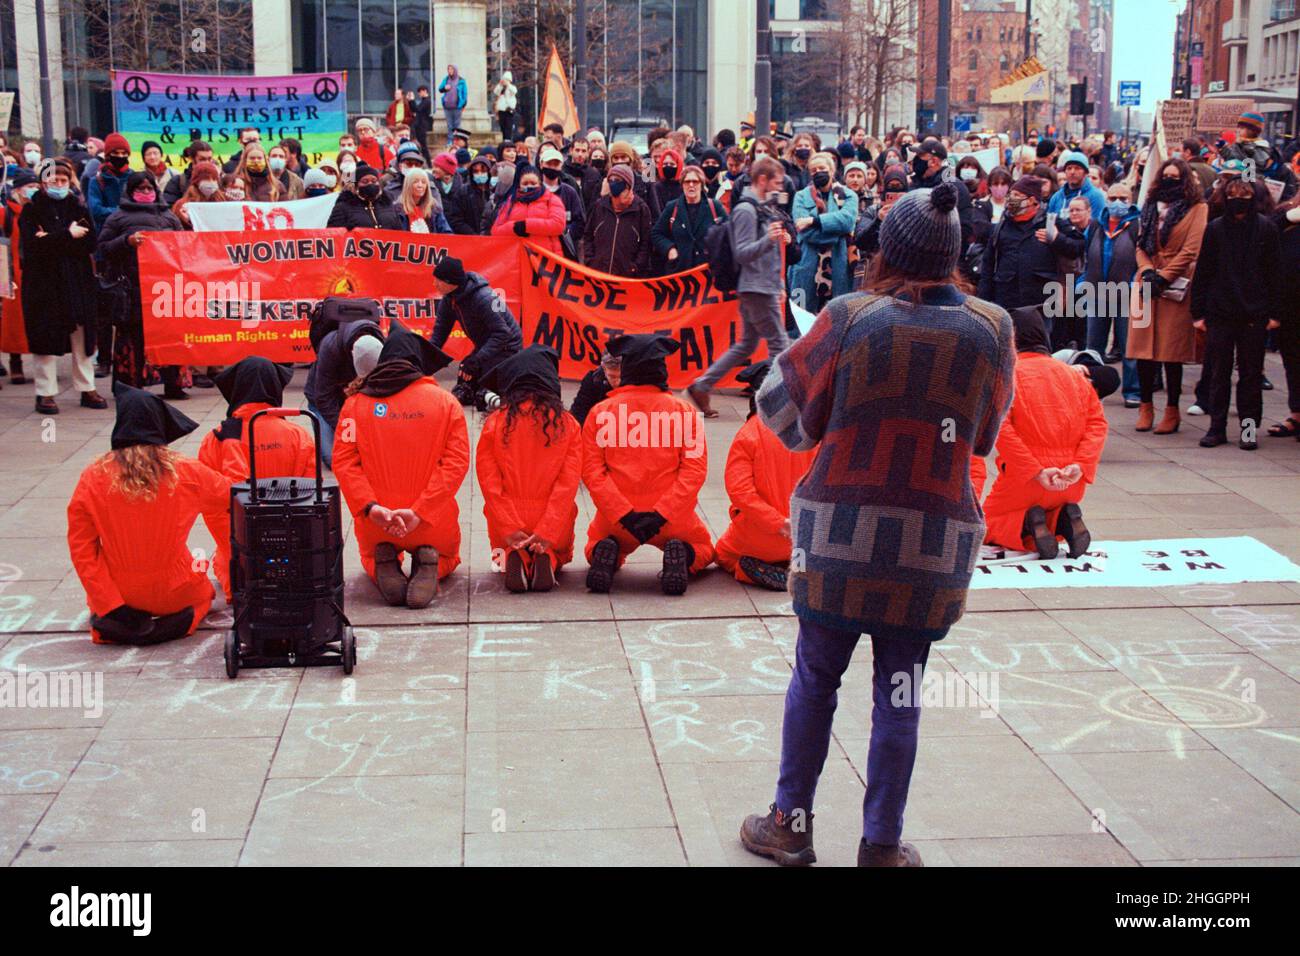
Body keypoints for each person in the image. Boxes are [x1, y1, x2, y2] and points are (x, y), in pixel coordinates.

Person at [739, 181, 1015, 869]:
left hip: (838, 538)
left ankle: (790, 825)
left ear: (886, 248)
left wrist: (838, 420)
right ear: (953, 253)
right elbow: (982, 438)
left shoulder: (847, 316)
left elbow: (777, 413)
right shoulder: (992, 329)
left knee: (815, 678)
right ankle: (882, 845)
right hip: (930, 545)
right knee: (902, 693)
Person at [67, 382, 229, 645]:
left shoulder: (92, 477)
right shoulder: (186, 471)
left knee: (104, 600)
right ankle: (182, 620)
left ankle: (115, 621)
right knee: (204, 594)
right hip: (175, 590)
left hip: (119, 592)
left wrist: (108, 602)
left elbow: (82, 549)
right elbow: (232, 497)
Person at [333, 323, 468, 608]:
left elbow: (344, 462)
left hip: (377, 522)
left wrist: (371, 508)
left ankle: (383, 564)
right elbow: (456, 463)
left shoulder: (355, 405)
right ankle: (430, 564)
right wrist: (421, 511)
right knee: (448, 556)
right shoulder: (446, 403)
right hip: (431, 521)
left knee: (370, 555)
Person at [581, 333, 714, 595]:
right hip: (673, 519)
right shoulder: (685, 412)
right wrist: (663, 514)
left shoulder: (600, 412)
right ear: (662, 369)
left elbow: (591, 471)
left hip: (616, 519)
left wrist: (623, 514)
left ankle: (606, 550)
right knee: (704, 549)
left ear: (627, 369)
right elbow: (694, 470)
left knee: (593, 546)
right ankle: (684, 555)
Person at [981, 306, 1108, 559]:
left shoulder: (1008, 377)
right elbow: (1097, 424)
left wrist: (1035, 471)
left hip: (1026, 481)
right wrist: (1081, 466)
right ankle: (1061, 519)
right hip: (1071, 483)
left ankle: (1029, 525)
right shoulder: (1074, 377)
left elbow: (1001, 430)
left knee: (986, 524)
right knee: (1047, 505)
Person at [198, 358, 316, 601]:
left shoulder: (216, 439)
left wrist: (236, 545)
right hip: (290, 547)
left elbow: (211, 505)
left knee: (223, 565)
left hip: (237, 553)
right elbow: (311, 498)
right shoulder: (298, 436)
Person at [687, 156, 792, 417]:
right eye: (777, 183)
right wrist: (768, 241)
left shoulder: (762, 207)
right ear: (762, 180)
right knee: (780, 345)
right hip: (756, 287)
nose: (780, 188)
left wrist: (777, 278)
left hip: (761, 285)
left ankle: (703, 385)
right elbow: (742, 252)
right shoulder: (746, 210)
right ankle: (778, 400)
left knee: (747, 344)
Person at [476, 346, 583, 592]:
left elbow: (489, 482)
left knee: (500, 555)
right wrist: (547, 530)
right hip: (553, 519)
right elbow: (567, 484)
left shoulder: (495, 423)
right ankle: (549, 558)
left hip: (505, 519)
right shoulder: (568, 425)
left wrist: (509, 528)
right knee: (562, 552)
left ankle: (513, 556)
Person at [1191, 178, 1282, 451]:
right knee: (1218, 373)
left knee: (1251, 375)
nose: (1237, 200)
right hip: (1220, 312)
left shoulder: (1266, 229)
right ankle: (1216, 427)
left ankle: (1248, 429)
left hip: (1254, 314)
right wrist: (1198, 313)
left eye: (1243, 195)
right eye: (1232, 195)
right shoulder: (1216, 229)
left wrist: (1275, 313)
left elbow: (1275, 274)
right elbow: (1203, 273)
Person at [714, 360, 817, 590]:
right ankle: (799, 567)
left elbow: (740, 492)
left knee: (723, 554)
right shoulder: (811, 432)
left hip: (761, 535)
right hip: (804, 535)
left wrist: (778, 523)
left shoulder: (748, 435)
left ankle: (750, 570)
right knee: (803, 554)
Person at [1128, 158, 1207, 436]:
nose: (1170, 181)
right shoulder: (1150, 206)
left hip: (1175, 285)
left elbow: (1191, 250)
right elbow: (1140, 244)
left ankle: (1172, 410)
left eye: (1175, 177)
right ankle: (1145, 406)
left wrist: (1163, 277)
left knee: (1171, 353)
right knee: (1143, 352)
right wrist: (1148, 270)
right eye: (1166, 176)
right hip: (1147, 284)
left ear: (1184, 180)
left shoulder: (1198, 208)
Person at [21, 158, 105, 415]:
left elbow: (90, 241)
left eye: (63, 180)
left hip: (77, 280)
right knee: (45, 337)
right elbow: (33, 247)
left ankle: (87, 387)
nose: (59, 185)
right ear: (43, 182)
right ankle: (45, 393)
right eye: (53, 180)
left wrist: (51, 237)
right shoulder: (32, 210)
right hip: (44, 284)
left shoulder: (77, 206)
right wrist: (67, 235)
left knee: (83, 336)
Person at [97, 171, 189, 397]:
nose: (146, 193)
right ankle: (129, 386)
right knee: (132, 337)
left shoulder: (168, 216)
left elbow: (183, 248)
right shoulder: (117, 218)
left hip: (164, 288)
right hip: (131, 287)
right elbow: (103, 248)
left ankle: (173, 385)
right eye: (141, 189)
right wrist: (126, 242)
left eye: (149, 188)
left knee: (169, 336)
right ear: (130, 191)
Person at [430, 255, 523, 406]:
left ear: (450, 282)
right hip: (486, 344)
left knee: (482, 387)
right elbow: (439, 333)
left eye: (438, 280)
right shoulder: (449, 299)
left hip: (508, 347)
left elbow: (503, 334)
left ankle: (494, 391)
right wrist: (424, 360)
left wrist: (478, 359)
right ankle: (475, 388)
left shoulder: (483, 298)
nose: (434, 284)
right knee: (464, 380)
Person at [1082, 181, 1143, 406]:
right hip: (1097, 293)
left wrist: (1136, 284)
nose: (1118, 203)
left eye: (1123, 199)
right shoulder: (1097, 225)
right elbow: (1087, 256)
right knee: (1094, 346)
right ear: (1107, 199)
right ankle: (1090, 388)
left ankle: (1132, 391)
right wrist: (1083, 282)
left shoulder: (1137, 225)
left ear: (1131, 201)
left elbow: (1143, 257)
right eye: (1114, 198)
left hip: (1126, 294)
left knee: (1129, 346)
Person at [303, 301, 383, 469]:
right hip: (323, 401)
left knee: (371, 456)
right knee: (335, 460)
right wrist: (348, 430)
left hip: (356, 400)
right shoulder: (329, 346)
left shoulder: (381, 345)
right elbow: (323, 397)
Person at [788, 151, 858, 312]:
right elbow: (803, 231)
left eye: (822, 168)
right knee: (803, 312)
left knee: (839, 312)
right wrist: (835, 230)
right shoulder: (800, 196)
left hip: (839, 261)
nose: (818, 172)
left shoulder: (848, 196)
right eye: (814, 170)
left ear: (831, 170)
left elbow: (847, 222)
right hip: (807, 261)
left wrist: (814, 221)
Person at [651, 164, 726, 274]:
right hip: (679, 272)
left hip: (708, 272)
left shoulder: (715, 206)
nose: (691, 185)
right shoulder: (672, 207)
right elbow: (656, 233)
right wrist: (669, 249)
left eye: (695, 181)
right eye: (687, 181)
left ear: (701, 184)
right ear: (682, 185)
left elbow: (728, 233)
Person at [582, 164, 654, 277]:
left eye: (617, 180)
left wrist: (635, 267)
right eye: (610, 180)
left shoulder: (641, 209)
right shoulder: (599, 205)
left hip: (626, 277)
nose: (613, 183)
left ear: (628, 184)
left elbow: (646, 243)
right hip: (598, 273)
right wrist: (590, 261)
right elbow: (588, 235)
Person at [1, 169, 37, 384]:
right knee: (13, 319)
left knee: (39, 317)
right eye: (29, 187)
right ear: (17, 190)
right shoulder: (6, 213)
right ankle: (16, 363)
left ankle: (44, 361)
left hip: (37, 270)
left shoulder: (39, 212)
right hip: (12, 270)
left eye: (35, 186)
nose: (32, 191)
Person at [1269, 195, 1300, 439]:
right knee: (1292, 359)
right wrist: (1291, 215)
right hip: (1290, 302)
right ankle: (1296, 413)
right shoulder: (1288, 213)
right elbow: (1268, 228)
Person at [490, 163, 568, 255]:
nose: (529, 186)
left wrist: (527, 225)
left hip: (547, 259)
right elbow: (495, 231)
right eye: (525, 183)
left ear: (540, 183)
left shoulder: (552, 199)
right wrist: (514, 227)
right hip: (517, 258)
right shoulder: (511, 202)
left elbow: (558, 225)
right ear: (519, 184)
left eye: (533, 183)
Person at [327, 164, 408, 230]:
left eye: (374, 181)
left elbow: (399, 234)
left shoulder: (387, 204)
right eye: (365, 181)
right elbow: (333, 236)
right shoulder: (343, 207)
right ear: (356, 185)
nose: (370, 184)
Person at [538, 145, 585, 250]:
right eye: (549, 164)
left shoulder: (570, 192)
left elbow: (580, 221)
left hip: (565, 250)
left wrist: (565, 234)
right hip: (540, 249)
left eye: (556, 164)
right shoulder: (534, 191)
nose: (552, 167)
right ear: (541, 165)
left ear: (561, 166)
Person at [86, 132, 133, 233]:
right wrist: (124, 211)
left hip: (131, 233)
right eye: (115, 153)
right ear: (107, 155)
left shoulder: (134, 177)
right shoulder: (97, 180)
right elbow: (96, 211)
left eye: (124, 153)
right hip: (106, 234)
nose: (120, 157)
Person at [1047, 149, 1106, 222]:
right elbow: (1050, 224)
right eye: (1069, 168)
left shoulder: (1096, 196)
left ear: (1086, 173)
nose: (1072, 172)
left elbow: (1097, 226)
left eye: (1077, 168)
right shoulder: (1057, 197)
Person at [569, 348, 621, 425]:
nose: (617, 382)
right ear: (603, 367)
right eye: (612, 377)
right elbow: (579, 413)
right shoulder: (593, 380)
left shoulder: (637, 380)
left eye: (621, 376)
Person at [170, 160, 224, 229]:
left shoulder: (222, 200)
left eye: (214, 179)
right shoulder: (182, 204)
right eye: (206, 179)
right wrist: (187, 220)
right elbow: (176, 228)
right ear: (197, 181)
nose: (211, 183)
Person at [398, 167, 452, 233]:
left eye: (423, 182)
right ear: (408, 185)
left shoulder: (435, 208)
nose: (420, 185)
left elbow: (447, 233)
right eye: (415, 182)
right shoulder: (397, 209)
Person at [439, 65, 468, 147]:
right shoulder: (446, 79)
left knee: (457, 125)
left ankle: (458, 141)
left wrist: (463, 105)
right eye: (448, 69)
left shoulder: (461, 81)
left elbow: (464, 94)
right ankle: (450, 141)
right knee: (449, 125)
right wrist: (445, 88)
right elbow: (440, 89)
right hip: (447, 106)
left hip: (457, 106)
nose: (450, 71)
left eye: (451, 69)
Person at [492, 71, 517, 139]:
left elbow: (514, 91)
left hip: (509, 110)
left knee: (508, 127)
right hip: (501, 110)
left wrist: (508, 85)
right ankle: (504, 139)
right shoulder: (501, 88)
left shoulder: (512, 87)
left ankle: (508, 139)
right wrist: (500, 85)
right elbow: (496, 92)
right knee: (502, 126)